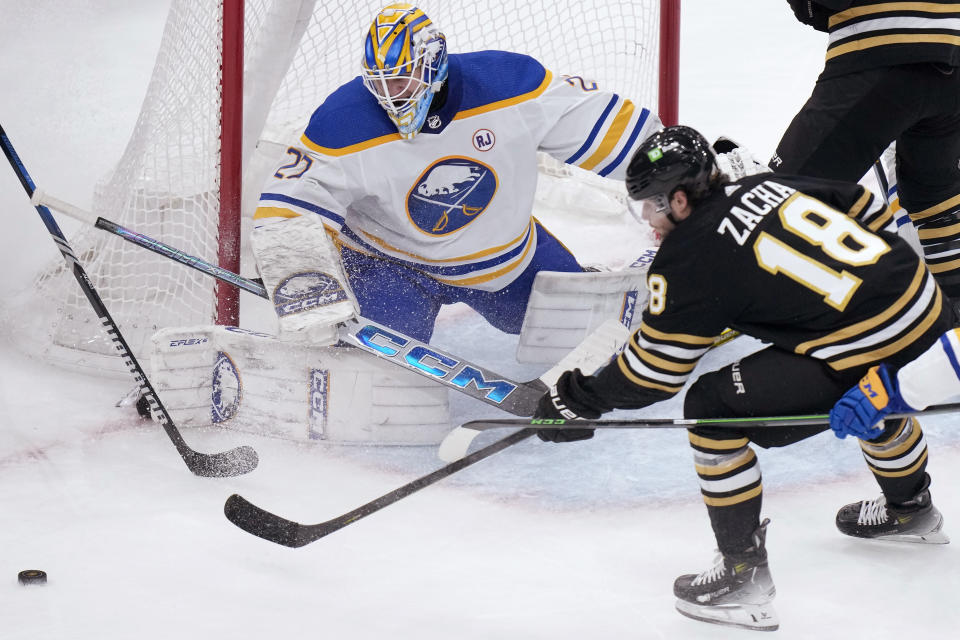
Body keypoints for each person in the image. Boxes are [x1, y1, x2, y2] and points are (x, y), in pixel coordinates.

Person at [534, 125, 952, 631]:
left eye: (651, 204)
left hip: (869, 350)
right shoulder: (758, 186)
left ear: (682, 200)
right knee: (849, 370)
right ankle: (911, 508)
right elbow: (861, 202)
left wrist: (580, 399)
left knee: (712, 409)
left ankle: (741, 576)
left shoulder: (687, 258)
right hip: (931, 313)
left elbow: (654, 374)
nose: (647, 217)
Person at [250, 3, 665, 345]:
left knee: (586, 334)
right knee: (381, 368)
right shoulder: (343, 120)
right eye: (380, 83)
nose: (389, 95)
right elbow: (289, 209)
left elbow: (612, 129)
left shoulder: (510, 85)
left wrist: (685, 175)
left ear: (434, 62)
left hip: (504, 259)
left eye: (401, 80)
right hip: (390, 266)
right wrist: (307, 289)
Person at [771, 0, 960, 308]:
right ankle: (955, 324)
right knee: (937, 202)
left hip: (881, 42)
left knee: (777, 199)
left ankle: (751, 321)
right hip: (953, 47)